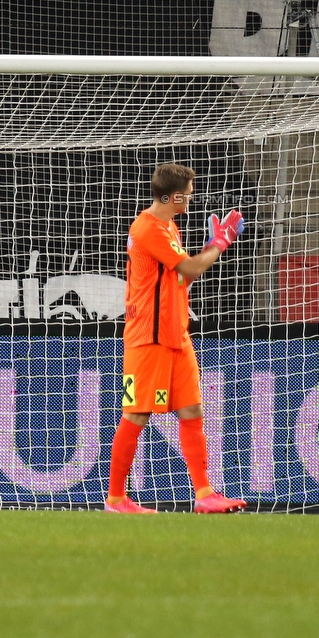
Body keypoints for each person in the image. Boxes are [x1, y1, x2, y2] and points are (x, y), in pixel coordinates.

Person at [105, 163, 247, 514]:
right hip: (146, 339)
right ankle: (116, 499)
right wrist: (219, 243)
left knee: (192, 410)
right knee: (136, 414)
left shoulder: (169, 226)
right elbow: (191, 269)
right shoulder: (147, 229)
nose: (192, 197)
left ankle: (204, 495)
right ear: (173, 195)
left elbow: (180, 279)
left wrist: (202, 251)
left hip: (175, 333)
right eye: (188, 192)